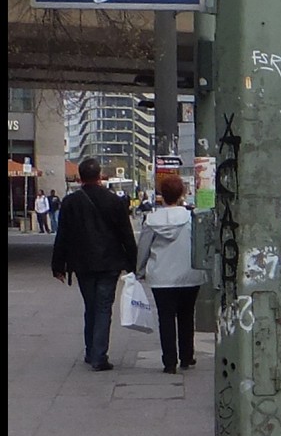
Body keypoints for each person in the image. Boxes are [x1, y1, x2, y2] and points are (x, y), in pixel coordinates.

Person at [51, 156, 138, 371]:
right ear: (100, 176)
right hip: (109, 262)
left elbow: (62, 235)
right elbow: (126, 235)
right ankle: (99, 355)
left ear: (80, 177)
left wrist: (58, 265)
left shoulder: (71, 202)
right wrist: (134, 263)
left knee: (91, 307)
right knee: (103, 308)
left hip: (82, 263)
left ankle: (91, 351)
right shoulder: (114, 201)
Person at [136, 174, 208, 374]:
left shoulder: (151, 220)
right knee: (186, 315)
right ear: (182, 194)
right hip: (190, 273)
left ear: (161, 194)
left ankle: (169, 361)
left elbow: (143, 248)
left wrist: (140, 270)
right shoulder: (192, 217)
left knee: (165, 318)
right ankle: (187, 356)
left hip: (161, 276)